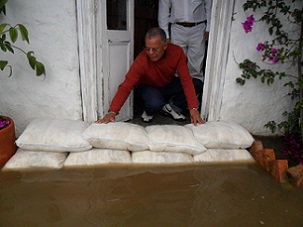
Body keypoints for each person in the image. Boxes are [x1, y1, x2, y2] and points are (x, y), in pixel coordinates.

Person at [96, 27, 204, 126]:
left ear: (165, 45)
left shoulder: (177, 52)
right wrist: (112, 112)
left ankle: (172, 107)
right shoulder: (142, 59)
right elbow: (126, 86)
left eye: (155, 49)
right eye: (147, 49)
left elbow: (186, 80)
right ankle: (149, 110)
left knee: (197, 84)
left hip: (167, 85)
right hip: (148, 87)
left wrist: (193, 108)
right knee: (155, 103)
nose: (151, 53)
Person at [158, 0, 212, 83]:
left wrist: (209, 27)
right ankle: (179, 94)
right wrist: (165, 35)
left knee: (196, 67)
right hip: (177, 28)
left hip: (198, 28)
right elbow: (163, 10)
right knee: (176, 65)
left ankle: (194, 94)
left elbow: (209, 5)